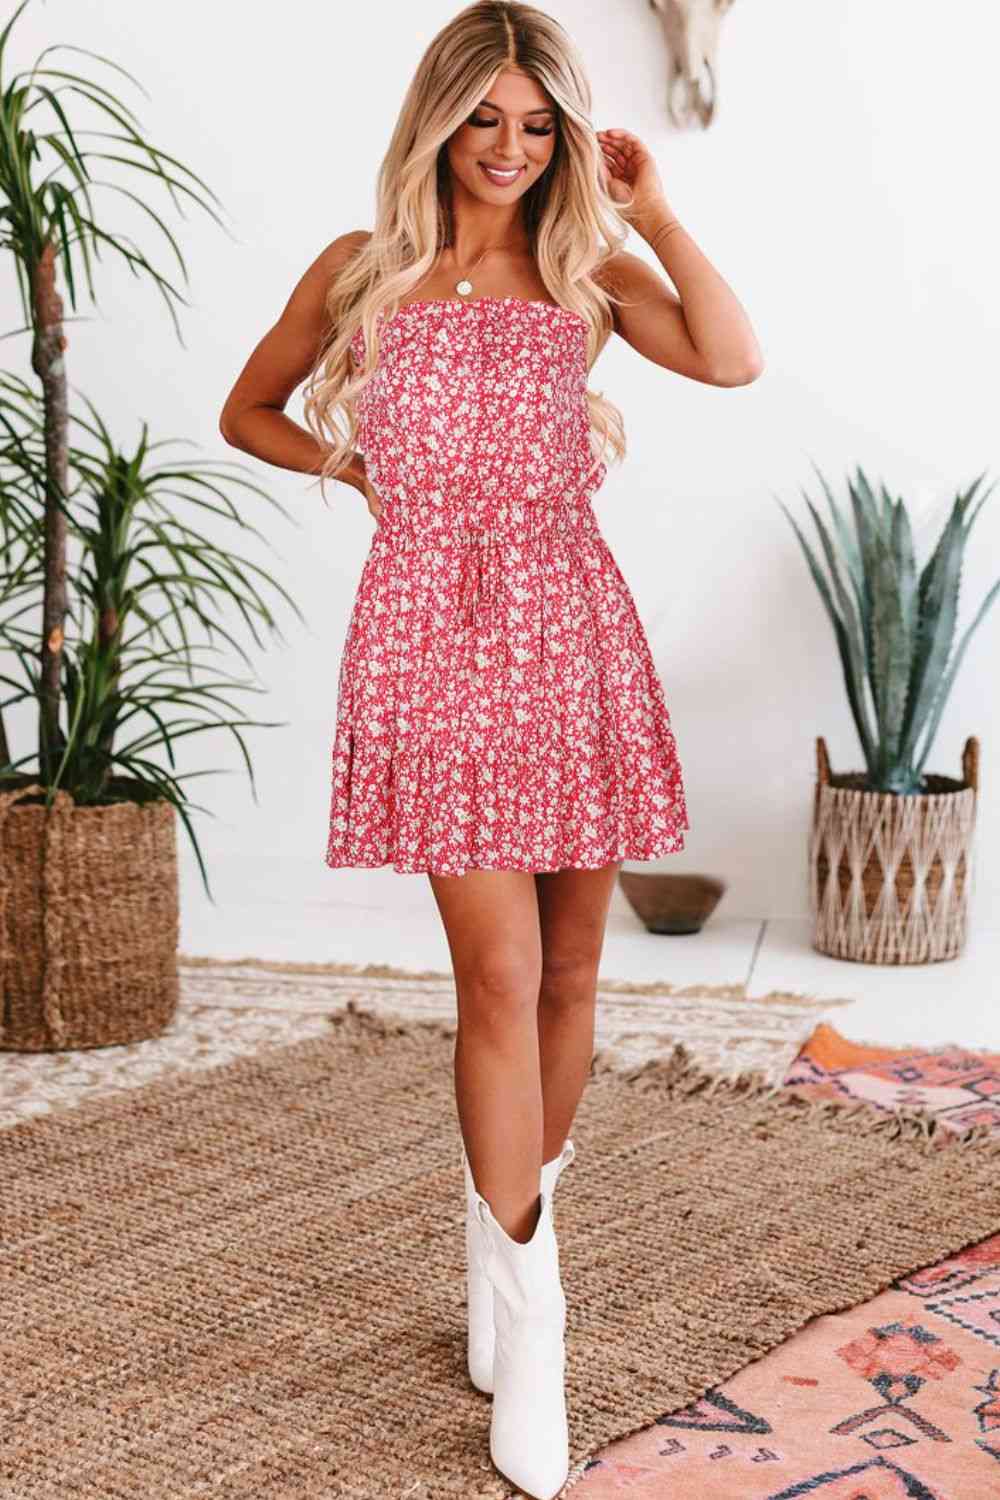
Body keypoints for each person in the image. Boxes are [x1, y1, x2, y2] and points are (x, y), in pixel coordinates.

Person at [219, 2, 763, 1493]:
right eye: (485, 119)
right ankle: (537, 1328)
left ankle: (499, 1235)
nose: (510, 149)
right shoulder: (361, 269)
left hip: (572, 632)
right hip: (430, 645)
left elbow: (734, 360)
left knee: (576, 969)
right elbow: (247, 409)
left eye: (538, 125)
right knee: (500, 975)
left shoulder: (589, 272)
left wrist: (657, 209)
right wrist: (356, 468)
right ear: (438, 119)